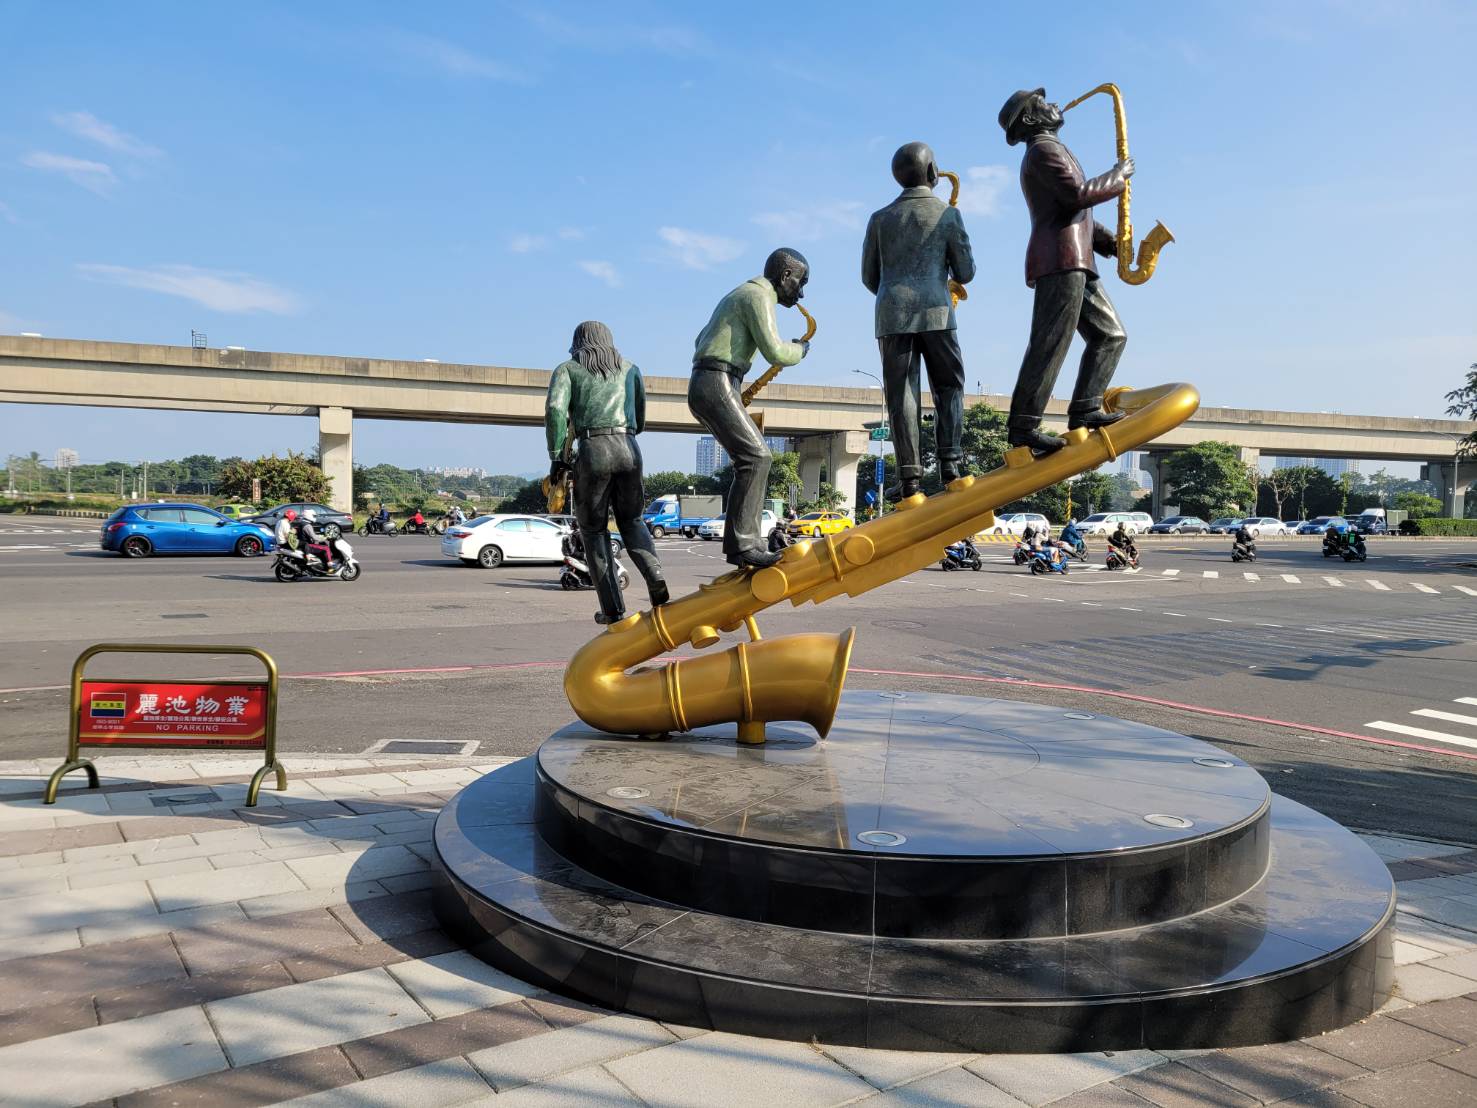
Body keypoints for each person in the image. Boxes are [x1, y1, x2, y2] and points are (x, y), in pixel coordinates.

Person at [998, 88, 1133, 455]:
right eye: (1043, 103)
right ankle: (1023, 427)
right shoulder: (1043, 151)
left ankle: (1086, 409)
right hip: (1060, 259)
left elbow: (1074, 211)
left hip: (1075, 258)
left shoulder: (1050, 149)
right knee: (1050, 343)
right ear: (1030, 118)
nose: (1055, 104)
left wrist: (1107, 242)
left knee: (1110, 335)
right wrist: (1118, 176)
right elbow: (1077, 196)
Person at [861, 142, 975, 499]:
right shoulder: (948, 215)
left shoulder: (879, 218)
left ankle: (909, 478)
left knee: (902, 395)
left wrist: (896, 293)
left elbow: (869, 276)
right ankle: (950, 464)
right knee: (949, 386)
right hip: (938, 311)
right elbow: (966, 272)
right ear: (932, 172)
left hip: (891, 314)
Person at [689, 248, 811, 569]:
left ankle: (747, 544)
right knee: (757, 457)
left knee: (751, 458)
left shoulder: (738, 294)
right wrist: (800, 349)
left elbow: (700, 339)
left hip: (714, 380)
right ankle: (743, 545)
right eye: (800, 283)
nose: (801, 293)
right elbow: (776, 352)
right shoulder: (759, 296)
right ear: (785, 276)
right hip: (717, 380)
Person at [546, 320, 669, 624]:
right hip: (629, 448)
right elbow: (640, 419)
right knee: (632, 520)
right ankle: (655, 576)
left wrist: (557, 456)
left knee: (594, 531)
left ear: (578, 343)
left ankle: (613, 608)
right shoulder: (631, 369)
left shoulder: (568, 369)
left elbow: (555, 410)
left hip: (593, 449)